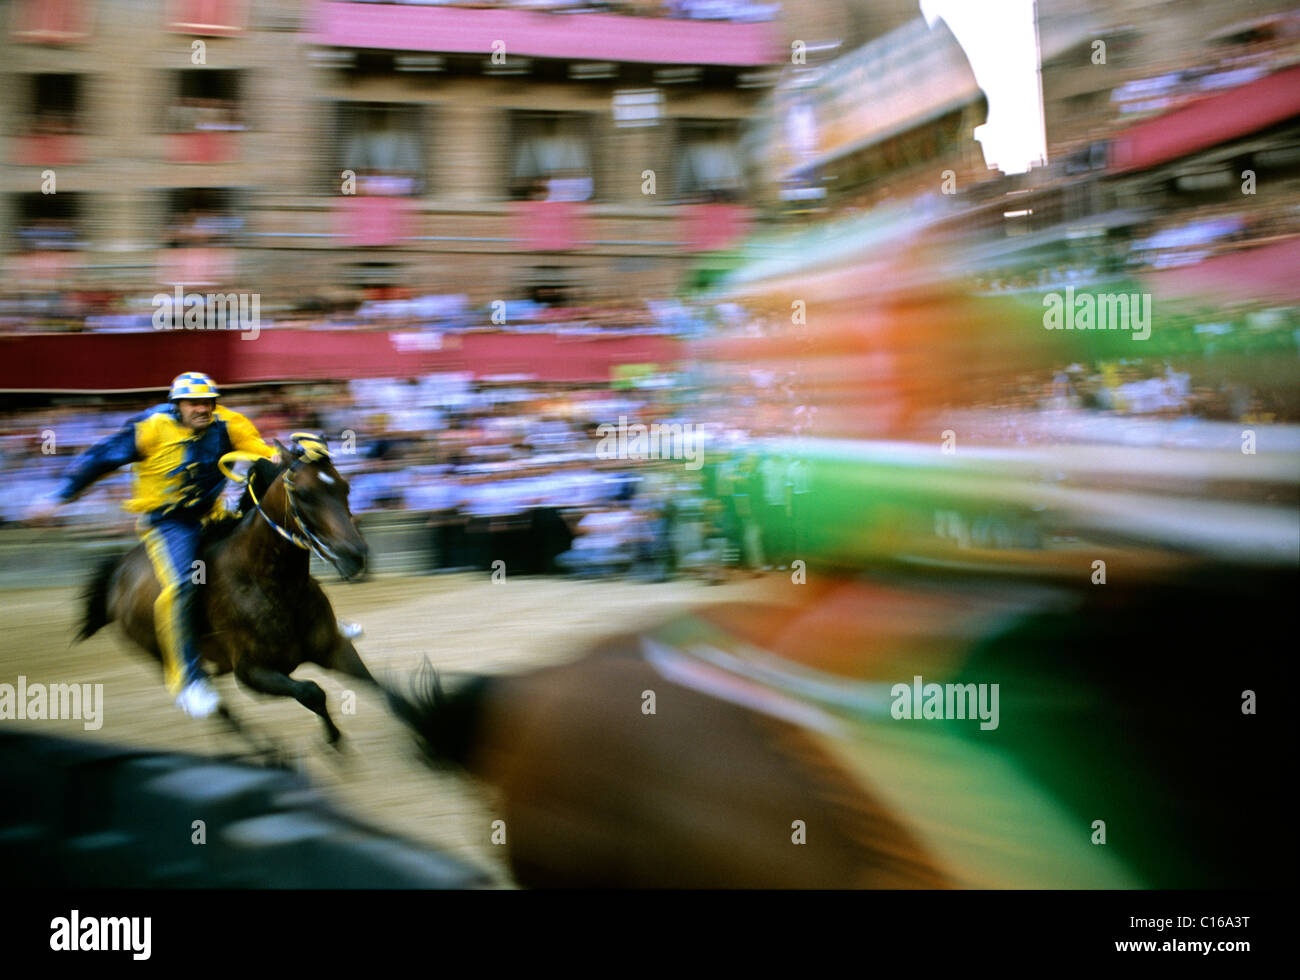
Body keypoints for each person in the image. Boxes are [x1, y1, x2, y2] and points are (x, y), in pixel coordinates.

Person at [26, 372, 278, 718]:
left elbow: (261, 451)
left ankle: (308, 623)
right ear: (177, 406)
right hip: (169, 523)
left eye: (208, 402)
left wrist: (274, 457)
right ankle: (188, 681)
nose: (202, 409)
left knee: (269, 543)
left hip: (213, 513)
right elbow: (100, 458)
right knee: (182, 587)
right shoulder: (149, 428)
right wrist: (59, 496)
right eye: (194, 403)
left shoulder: (229, 424)